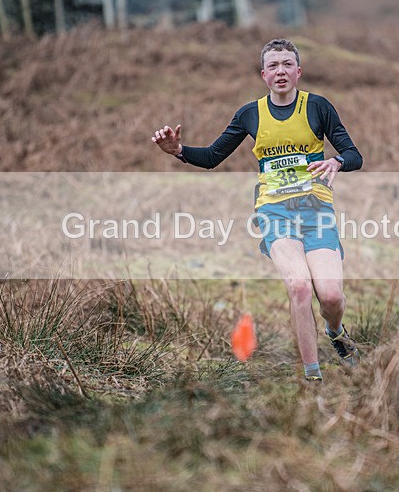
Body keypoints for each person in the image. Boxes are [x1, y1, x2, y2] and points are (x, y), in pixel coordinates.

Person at [152, 38, 363, 382]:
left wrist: (338, 161)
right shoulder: (250, 114)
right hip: (274, 211)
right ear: (264, 74)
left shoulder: (318, 107)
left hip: (316, 211)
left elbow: (355, 155)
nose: (281, 71)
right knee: (298, 287)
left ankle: (335, 332)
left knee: (331, 296)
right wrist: (179, 150)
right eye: (273, 66)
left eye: (287, 64)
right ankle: (313, 377)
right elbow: (212, 157)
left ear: (298, 71)